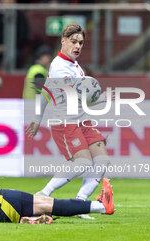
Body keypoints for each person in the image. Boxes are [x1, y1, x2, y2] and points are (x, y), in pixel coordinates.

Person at [25, 23, 112, 218]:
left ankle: (79, 203)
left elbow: (46, 90)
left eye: (80, 42)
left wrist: (37, 118)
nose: (78, 46)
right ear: (63, 41)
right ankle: (44, 193)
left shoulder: (74, 65)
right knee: (82, 163)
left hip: (82, 121)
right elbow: (77, 96)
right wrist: (100, 98)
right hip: (65, 122)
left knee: (102, 160)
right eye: (73, 42)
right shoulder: (59, 67)